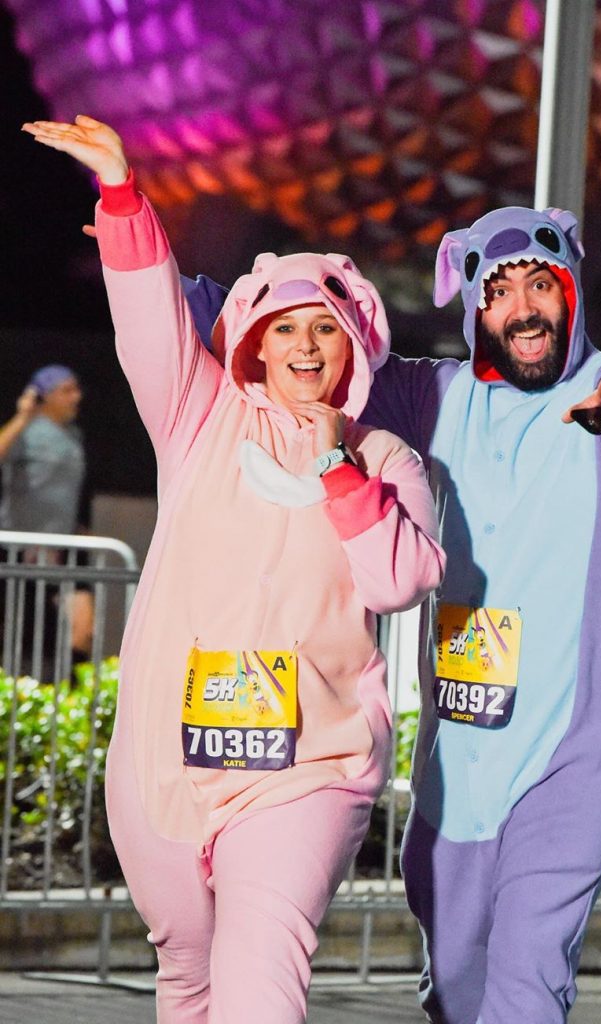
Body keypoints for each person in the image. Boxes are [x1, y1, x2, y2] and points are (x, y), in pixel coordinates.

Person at [182, 203, 601, 1020]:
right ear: (474, 305)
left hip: (578, 746)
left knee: (526, 972)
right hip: (464, 744)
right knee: (454, 981)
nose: (521, 306)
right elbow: (317, 344)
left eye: (540, 283)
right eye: (498, 290)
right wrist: (143, 244)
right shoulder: (443, 398)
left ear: (571, 290)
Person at [23, 114, 445, 1024]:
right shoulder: (198, 419)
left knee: (259, 976)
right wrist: (122, 194)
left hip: (309, 765)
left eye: (323, 331)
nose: (304, 348)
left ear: (352, 345)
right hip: (164, 756)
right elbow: (148, 319)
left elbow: (398, 581)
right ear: (252, 337)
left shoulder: (384, 460)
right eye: (285, 328)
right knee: (190, 973)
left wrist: (338, 467)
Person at [0, 366, 93, 663]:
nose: (76, 397)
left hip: (60, 549)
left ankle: (68, 698)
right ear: (45, 396)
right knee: (20, 635)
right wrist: (23, 416)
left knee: (83, 631)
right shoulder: (24, 431)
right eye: (67, 390)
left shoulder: (74, 435)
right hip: (18, 551)